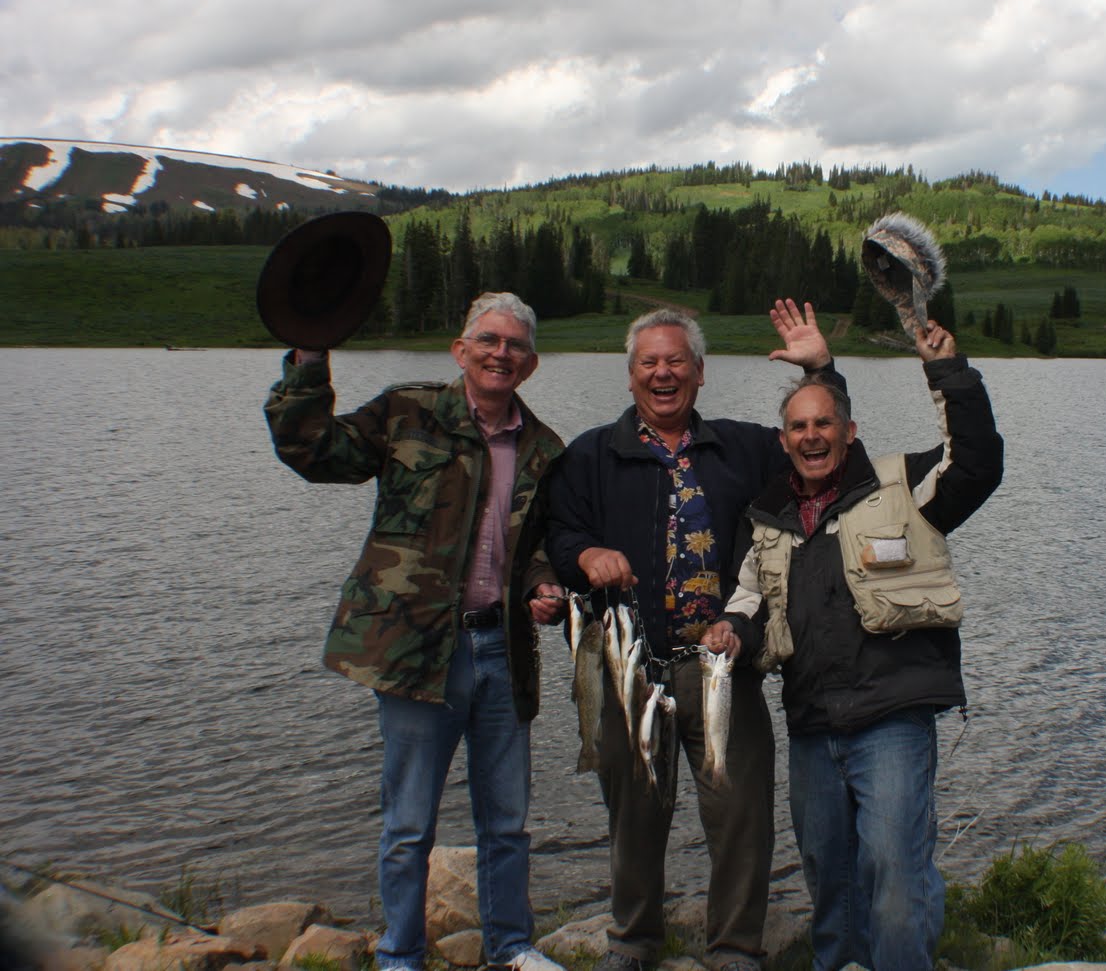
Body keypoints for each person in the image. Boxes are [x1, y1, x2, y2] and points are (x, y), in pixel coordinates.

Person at [265, 291, 568, 971]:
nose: (501, 353)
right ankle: (400, 954)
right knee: (408, 826)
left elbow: (542, 545)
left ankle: (510, 946)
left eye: (515, 345)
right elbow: (313, 449)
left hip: (503, 650)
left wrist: (543, 583)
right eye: (488, 340)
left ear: (532, 363)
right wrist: (310, 358)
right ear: (461, 350)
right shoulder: (408, 411)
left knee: (508, 821)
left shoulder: (546, 448)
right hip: (416, 652)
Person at [543, 301, 838, 971]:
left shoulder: (743, 447)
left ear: (700, 373)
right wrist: (585, 555)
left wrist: (821, 366)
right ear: (630, 375)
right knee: (633, 813)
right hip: (628, 668)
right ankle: (633, 938)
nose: (663, 372)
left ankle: (734, 945)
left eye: (676, 360)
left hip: (722, 666)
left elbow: (824, 445)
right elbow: (557, 532)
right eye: (649, 362)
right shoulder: (590, 454)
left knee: (741, 814)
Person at [722, 320, 1003, 971]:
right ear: (783, 439)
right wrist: (728, 631)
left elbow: (978, 463)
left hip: (892, 723)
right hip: (813, 728)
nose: (811, 435)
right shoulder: (766, 520)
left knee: (896, 875)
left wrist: (950, 372)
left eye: (825, 423)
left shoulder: (902, 487)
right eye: (798, 427)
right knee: (831, 886)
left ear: (848, 432)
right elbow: (745, 599)